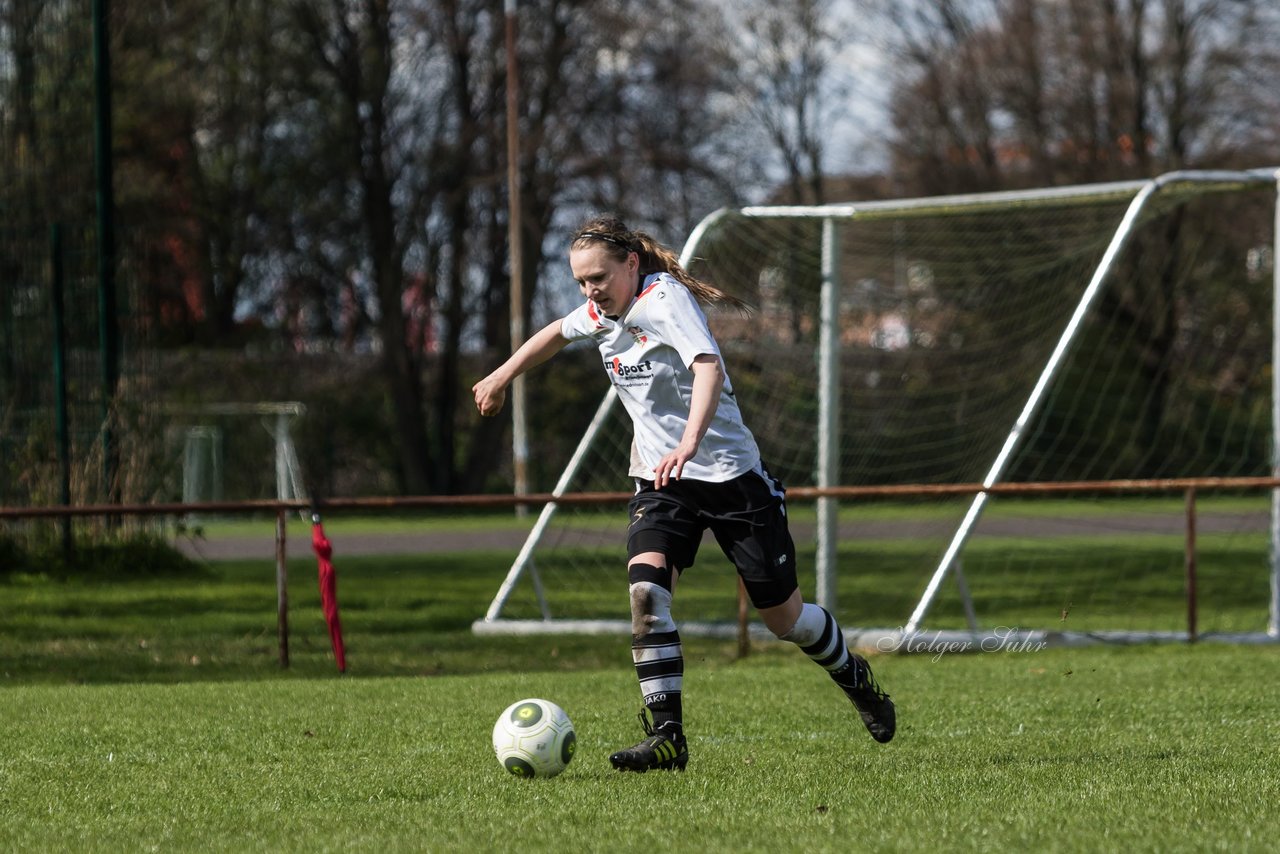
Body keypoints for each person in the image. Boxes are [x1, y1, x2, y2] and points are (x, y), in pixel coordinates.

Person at [473, 215, 895, 772]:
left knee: (785, 620)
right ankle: (667, 735)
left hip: (730, 477)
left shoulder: (664, 298)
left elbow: (707, 365)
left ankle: (853, 674)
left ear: (630, 264)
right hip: (662, 481)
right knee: (646, 594)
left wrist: (690, 441)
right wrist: (501, 375)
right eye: (580, 282)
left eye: (598, 277)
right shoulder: (603, 312)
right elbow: (556, 332)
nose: (589, 291)